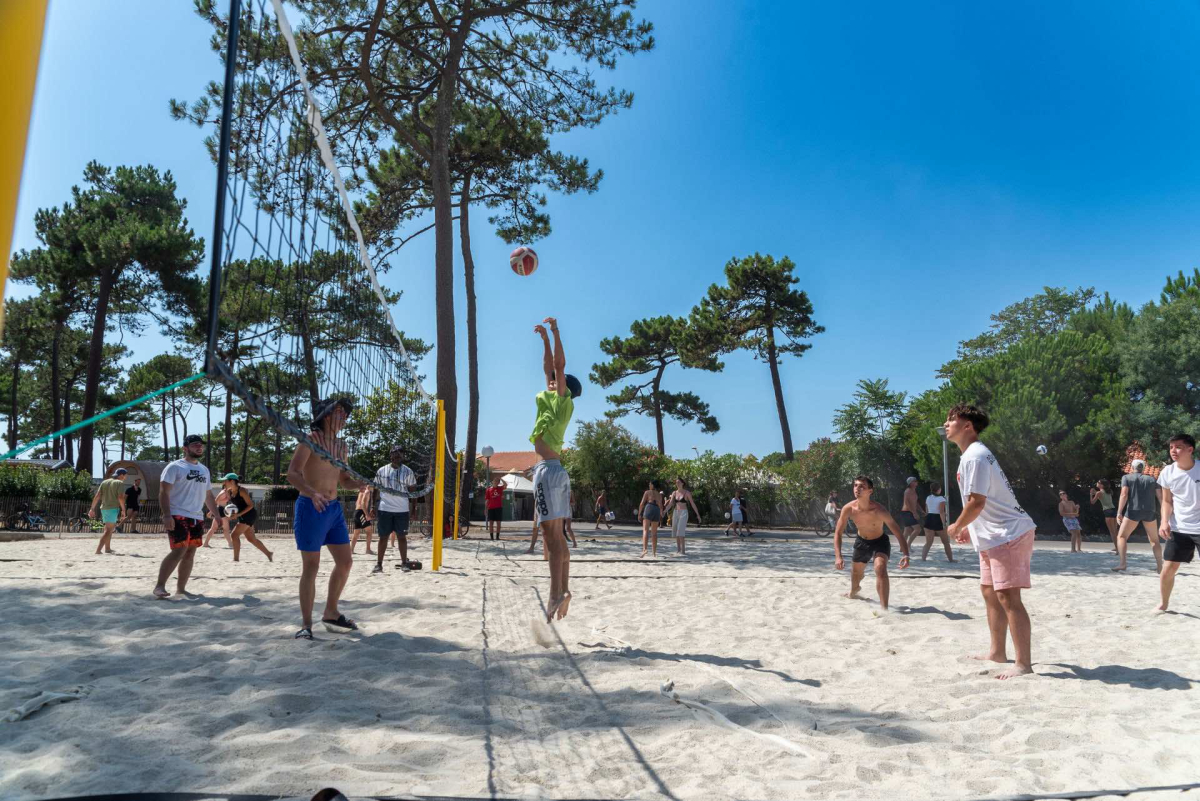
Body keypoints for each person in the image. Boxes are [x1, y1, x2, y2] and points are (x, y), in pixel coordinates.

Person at [944, 403, 1036, 680]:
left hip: (1007, 533)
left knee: (1009, 597)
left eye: (952, 420)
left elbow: (977, 501)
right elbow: (984, 502)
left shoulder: (975, 456)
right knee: (989, 592)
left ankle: (1023, 664)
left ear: (968, 426)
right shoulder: (971, 455)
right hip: (992, 535)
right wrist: (970, 529)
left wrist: (958, 525)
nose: (946, 424)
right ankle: (997, 652)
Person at [285, 398, 363, 639]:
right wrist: (312, 492)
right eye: (341, 413)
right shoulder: (311, 439)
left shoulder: (341, 446)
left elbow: (344, 481)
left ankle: (330, 611)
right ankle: (306, 625)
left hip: (333, 509)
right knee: (311, 566)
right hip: (311, 505)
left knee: (345, 562)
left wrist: (364, 483)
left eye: (346, 414)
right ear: (327, 415)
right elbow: (292, 473)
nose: (345, 418)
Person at [530, 316, 581, 621]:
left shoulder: (562, 400)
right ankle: (563, 589)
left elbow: (559, 366)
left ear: (565, 388)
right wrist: (545, 340)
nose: (552, 378)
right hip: (552, 470)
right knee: (557, 536)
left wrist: (556, 330)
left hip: (549, 471)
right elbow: (550, 367)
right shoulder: (551, 397)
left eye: (558, 379)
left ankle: (554, 594)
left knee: (552, 538)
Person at [154, 436, 219, 599]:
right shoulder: (175, 467)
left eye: (201, 445)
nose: (199, 447)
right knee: (179, 550)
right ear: (185, 448)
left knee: (190, 552)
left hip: (197, 516)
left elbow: (208, 495)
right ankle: (159, 586)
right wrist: (167, 515)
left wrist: (217, 515)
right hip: (177, 514)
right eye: (195, 444)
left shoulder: (204, 470)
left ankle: (181, 589)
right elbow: (163, 492)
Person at [833, 475, 910, 610]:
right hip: (861, 542)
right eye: (855, 485)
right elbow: (838, 533)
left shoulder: (879, 510)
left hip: (880, 542)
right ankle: (853, 591)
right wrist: (838, 556)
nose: (857, 489)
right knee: (856, 575)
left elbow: (898, 532)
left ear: (870, 491)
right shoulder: (848, 508)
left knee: (880, 568)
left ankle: (884, 608)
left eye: (862, 486)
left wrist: (906, 554)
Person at [1155, 433, 1200, 612]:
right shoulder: (1168, 472)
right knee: (1168, 569)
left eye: (1178, 447)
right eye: (1171, 447)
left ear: (1190, 449)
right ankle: (1164, 604)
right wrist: (1164, 521)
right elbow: (1167, 501)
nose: (1174, 450)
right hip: (1179, 527)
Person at [373, 444, 418, 574]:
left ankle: (404, 563)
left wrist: (414, 510)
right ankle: (379, 565)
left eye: (400, 453)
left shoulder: (408, 472)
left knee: (402, 537)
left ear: (402, 456)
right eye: (395, 453)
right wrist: (372, 506)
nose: (397, 455)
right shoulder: (382, 470)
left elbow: (413, 493)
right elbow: (375, 489)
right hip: (385, 509)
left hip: (402, 510)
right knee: (383, 537)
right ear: (390, 455)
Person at [1114, 459, 1163, 573]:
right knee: (1154, 540)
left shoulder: (1126, 478)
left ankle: (1122, 564)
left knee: (1121, 537)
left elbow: (1124, 494)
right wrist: (1163, 512)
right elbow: (1160, 497)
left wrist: (1119, 512)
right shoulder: (1152, 479)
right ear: (1144, 468)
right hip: (1150, 511)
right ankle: (1160, 566)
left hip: (1133, 511)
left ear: (1132, 467)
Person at [221, 473, 272, 562]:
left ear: (232, 481)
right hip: (242, 515)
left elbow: (251, 505)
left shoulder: (242, 491)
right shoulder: (229, 491)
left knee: (234, 535)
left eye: (225, 480)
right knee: (251, 539)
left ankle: (236, 559)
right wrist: (232, 513)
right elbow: (236, 504)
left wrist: (238, 514)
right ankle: (268, 553)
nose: (224, 482)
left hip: (249, 514)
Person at [88, 467, 127, 555]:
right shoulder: (119, 483)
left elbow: (97, 496)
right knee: (109, 530)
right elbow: (120, 497)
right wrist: (123, 510)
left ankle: (107, 549)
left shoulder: (104, 482)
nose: (125, 478)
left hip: (104, 508)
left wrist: (92, 508)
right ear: (121, 475)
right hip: (112, 508)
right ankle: (98, 550)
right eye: (125, 476)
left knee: (107, 528)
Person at [667, 477, 701, 556]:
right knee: (676, 532)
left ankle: (683, 551)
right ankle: (678, 550)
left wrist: (698, 515)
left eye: (678, 482)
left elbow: (692, 504)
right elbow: (671, 503)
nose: (677, 483)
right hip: (675, 512)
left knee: (680, 531)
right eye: (676, 482)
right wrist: (665, 511)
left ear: (682, 483)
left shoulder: (687, 493)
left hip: (683, 513)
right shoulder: (674, 493)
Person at [921, 482, 954, 562]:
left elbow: (927, 510)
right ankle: (951, 560)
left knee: (928, 542)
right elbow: (941, 512)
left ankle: (923, 559)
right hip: (937, 519)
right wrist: (944, 524)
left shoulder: (928, 497)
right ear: (938, 489)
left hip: (929, 518)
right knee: (946, 542)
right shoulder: (941, 499)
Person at [1091, 478, 1119, 552]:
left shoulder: (1098, 493)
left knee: (1112, 532)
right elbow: (1103, 495)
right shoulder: (1109, 491)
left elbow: (1092, 502)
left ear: (1102, 485)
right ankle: (1118, 547)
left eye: (1098, 482)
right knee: (1115, 531)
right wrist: (1095, 492)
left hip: (1107, 511)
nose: (1097, 483)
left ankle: (1117, 549)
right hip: (1113, 510)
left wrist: (1091, 494)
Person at [638, 480, 664, 558]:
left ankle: (645, 549)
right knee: (654, 533)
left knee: (645, 530)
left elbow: (642, 504)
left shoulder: (647, 492)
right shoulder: (659, 495)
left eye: (650, 484)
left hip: (649, 507)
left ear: (653, 485)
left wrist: (639, 513)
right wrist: (660, 514)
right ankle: (654, 553)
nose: (649, 485)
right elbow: (661, 506)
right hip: (656, 510)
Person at [898, 477, 926, 549]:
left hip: (909, 512)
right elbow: (907, 503)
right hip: (907, 512)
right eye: (915, 481)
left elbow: (915, 503)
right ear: (911, 483)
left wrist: (921, 510)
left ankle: (902, 547)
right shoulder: (908, 491)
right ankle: (908, 545)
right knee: (918, 529)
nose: (917, 482)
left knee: (907, 530)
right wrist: (914, 513)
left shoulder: (913, 490)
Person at [350, 484, 375, 554]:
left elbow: (356, 503)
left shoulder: (360, 491)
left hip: (356, 512)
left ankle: (351, 550)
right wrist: (367, 515)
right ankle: (368, 549)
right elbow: (363, 503)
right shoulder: (367, 492)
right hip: (361, 512)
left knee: (356, 533)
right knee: (369, 532)